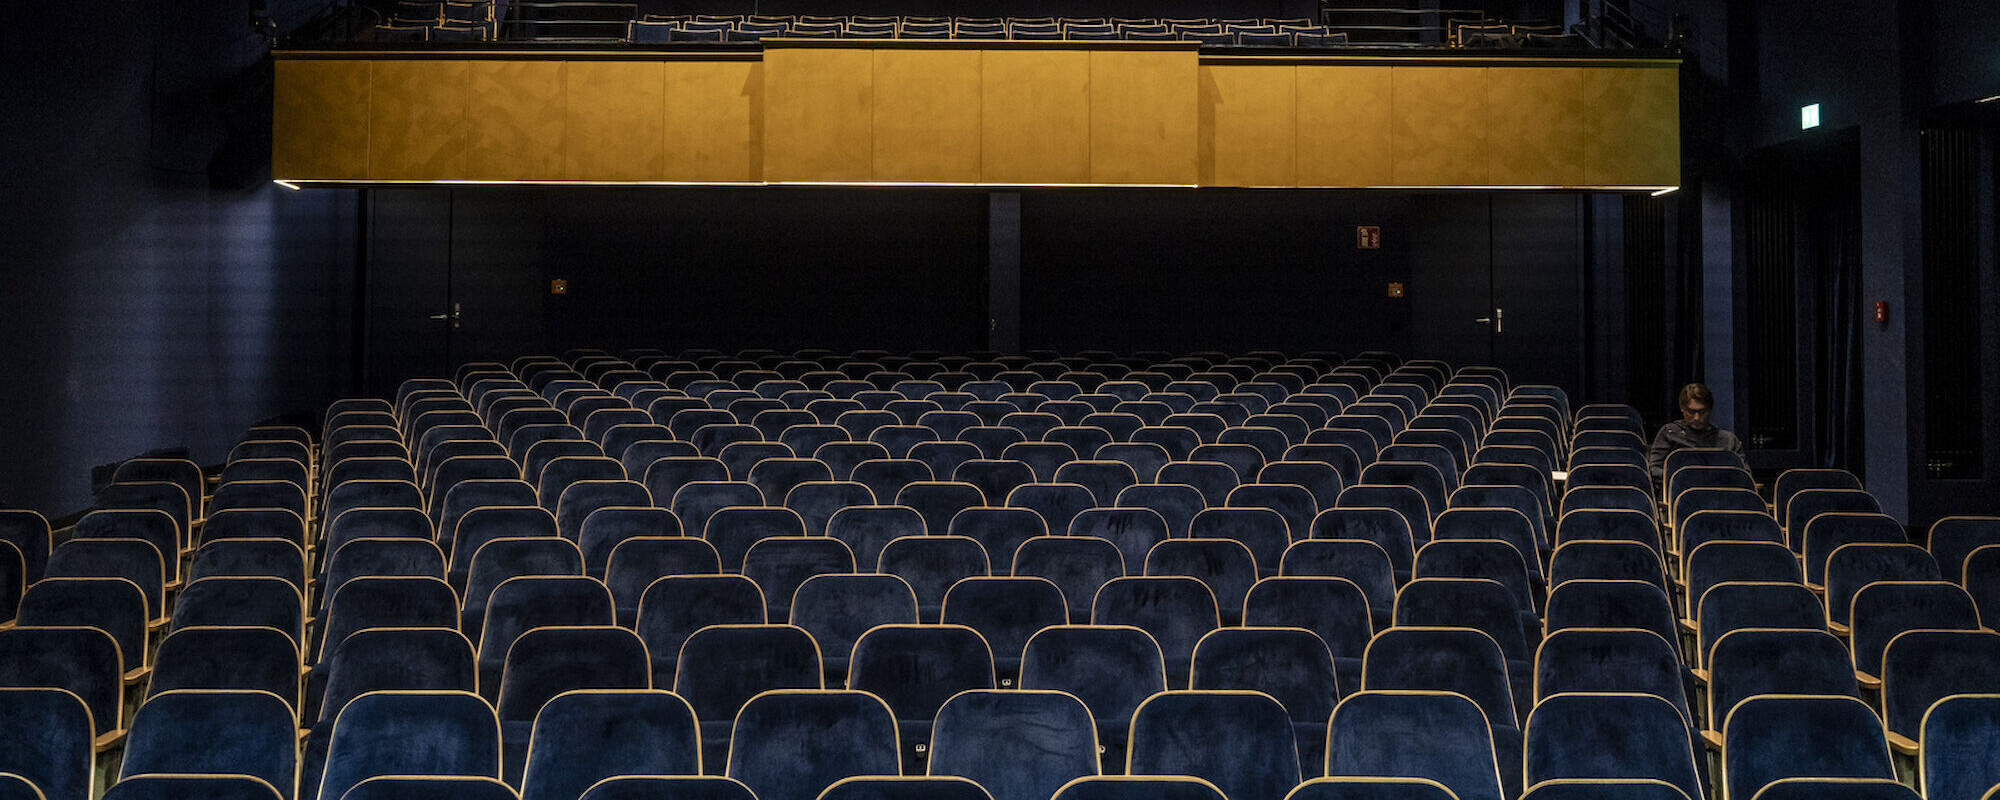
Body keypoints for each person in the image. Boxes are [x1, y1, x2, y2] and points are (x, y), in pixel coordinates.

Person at [1646, 382, 1746, 481]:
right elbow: (1654, 469)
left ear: (1710, 410)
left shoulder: (1728, 440)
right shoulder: (1669, 433)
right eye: (1691, 412)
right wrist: (1686, 478)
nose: (1697, 418)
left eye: (1702, 412)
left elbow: (1744, 474)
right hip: (1679, 490)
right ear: (1682, 408)